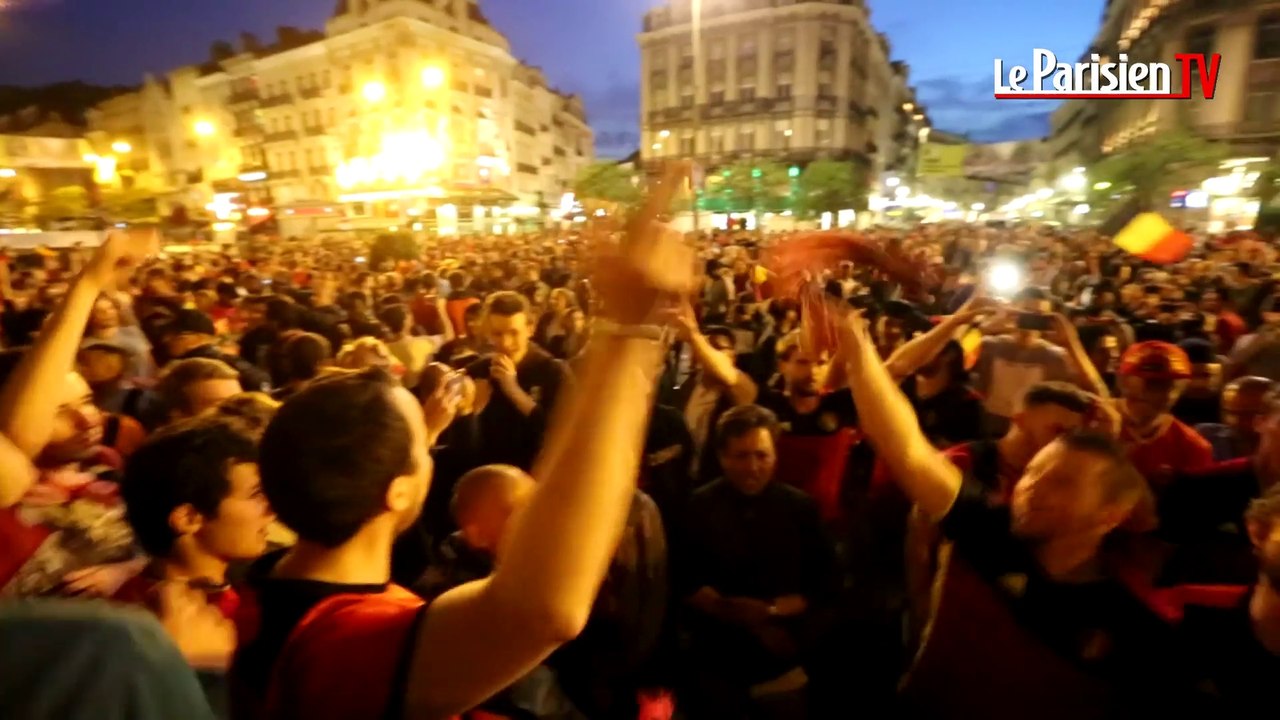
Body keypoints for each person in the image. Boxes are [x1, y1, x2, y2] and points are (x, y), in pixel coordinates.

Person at [228, 163, 696, 720]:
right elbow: (544, 610)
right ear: (397, 492)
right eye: (421, 432)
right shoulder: (335, 641)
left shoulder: (265, 594)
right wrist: (628, 333)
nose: (434, 432)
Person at [835, 307, 1193, 718]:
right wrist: (854, 339)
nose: (1031, 488)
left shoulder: (1132, 627)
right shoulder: (989, 533)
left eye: (1061, 482)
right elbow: (907, 449)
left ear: (1111, 513)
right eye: (1034, 472)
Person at [682, 404, 839, 719]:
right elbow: (686, 579)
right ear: (722, 457)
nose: (753, 467)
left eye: (761, 455)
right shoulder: (700, 506)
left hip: (782, 663)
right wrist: (747, 617)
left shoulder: (800, 509)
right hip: (716, 663)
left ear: (775, 455)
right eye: (741, 456)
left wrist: (771, 612)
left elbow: (825, 584)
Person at [474, 291, 572, 471]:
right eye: (497, 334)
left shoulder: (553, 371)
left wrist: (514, 390)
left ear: (530, 328)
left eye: (513, 333)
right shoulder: (479, 371)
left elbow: (561, 433)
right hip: (489, 474)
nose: (505, 342)